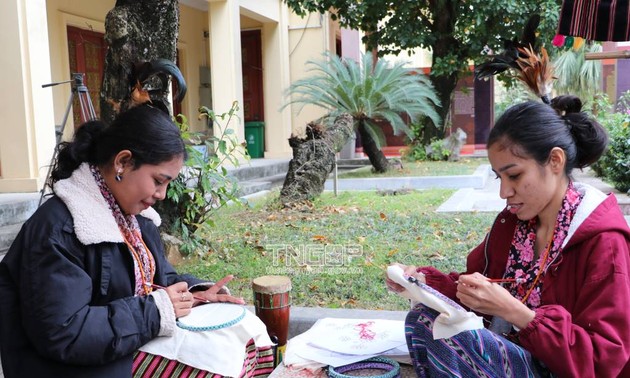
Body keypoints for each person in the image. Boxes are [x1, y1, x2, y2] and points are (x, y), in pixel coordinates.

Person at [386, 96, 630, 377]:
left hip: (563, 370)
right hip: (514, 354)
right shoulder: (513, 224)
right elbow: (478, 293)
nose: (504, 192)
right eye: (498, 178)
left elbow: (603, 362)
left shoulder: (604, 243)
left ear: (554, 161)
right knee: (422, 319)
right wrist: (427, 284)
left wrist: (520, 315)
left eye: (513, 175)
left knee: (460, 340)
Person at [0, 104, 248, 377]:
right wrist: (155, 311)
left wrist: (193, 292)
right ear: (123, 162)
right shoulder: (59, 230)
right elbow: (64, 333)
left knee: (244, 336)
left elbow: (158, 278)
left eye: (167, 185)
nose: (162, 194)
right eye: (158, 180)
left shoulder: (136, 219)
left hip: (119, 350)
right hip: (67, 368)